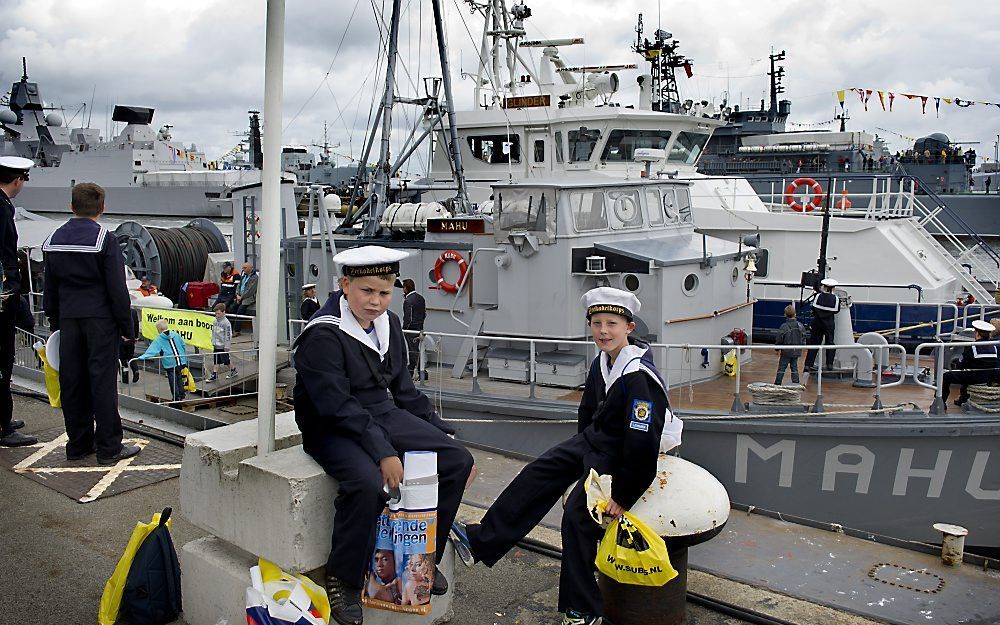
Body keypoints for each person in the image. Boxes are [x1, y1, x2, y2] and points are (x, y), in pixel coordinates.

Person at [455, 287, 676, 625]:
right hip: (593, 442)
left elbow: (641, 441)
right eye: (597, 323)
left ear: (629, 328)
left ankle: (584, 609)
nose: (603, 331)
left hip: (621, 455)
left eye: (612, 324)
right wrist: (575, 463)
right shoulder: (602, 364)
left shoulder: (639, 378)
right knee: (538, 473)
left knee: (577, 517)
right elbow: (588, 414)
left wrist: (623, 495)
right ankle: (481, 541)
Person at [292, 246, 473, 625]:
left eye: (384, 292)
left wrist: (441, 433)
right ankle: (342, 578)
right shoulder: (323, 334)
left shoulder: (388, 323)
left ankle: (423, 558)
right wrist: (383, 452)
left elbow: (403, 390)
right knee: (367, 483)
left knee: (458, 462)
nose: (375, 301)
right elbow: (336, 406)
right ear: (345, 285)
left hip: (379, 413)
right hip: (331, 426)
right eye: (366, 291)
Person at [42, 182, 138, 463]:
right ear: (102, 208)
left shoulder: (53, 239)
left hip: (68, 320)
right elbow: (117, 290)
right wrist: (126, 328)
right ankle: (109, 448)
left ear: (71, 206)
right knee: (102, 383)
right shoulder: (104, 240)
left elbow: (50, 287)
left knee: (72, 382)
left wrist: (55, 321)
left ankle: (78, 445)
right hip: (100, 321)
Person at [0, 156, 37, 447]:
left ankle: (4, 417)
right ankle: (4, 428)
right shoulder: (1, 209)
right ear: (18, 180)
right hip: (3, 301)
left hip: (6, 297)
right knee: (3, 362)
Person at [942, 320, 999, 408]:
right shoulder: (994, 347)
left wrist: (957, 364)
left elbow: (961, 365)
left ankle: (941, 402)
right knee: (967, 373)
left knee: (946, 376)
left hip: (974, 377)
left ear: (977, 333)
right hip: (989, 377)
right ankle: (963, 398)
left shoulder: (972, 346)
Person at [138, 319, 188, 402]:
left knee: (172, 379)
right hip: (180, 360)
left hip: (170, 362)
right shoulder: (176, 335)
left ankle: (176, 397)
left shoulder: (159, 339)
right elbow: (183, 345)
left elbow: (152, 350)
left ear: (159, 329)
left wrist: (142, 357)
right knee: (179, 377)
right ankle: (182, 395)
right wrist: (184, 357)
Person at [804, 278, 840, 372]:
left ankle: (808, 364)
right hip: (829, 324)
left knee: (814, 343)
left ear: (824, 287)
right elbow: (836, 311)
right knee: (830, 343)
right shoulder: (835, 299)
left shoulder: (818, 296)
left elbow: (814, 308)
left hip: (817, 323)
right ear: (833, 288)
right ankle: (829, 364)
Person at [774, 305, 806, 385]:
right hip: (796, 351)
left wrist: (777, 349)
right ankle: (796, 383)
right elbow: (803, 338)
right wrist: (803, 348)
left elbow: (779, 339)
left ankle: (777, 384)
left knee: (781, 368)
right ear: (795, 314)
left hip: (786, 351)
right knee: (794, 368)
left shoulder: (784, 327)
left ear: (785, 314)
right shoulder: (800, 326)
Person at [401, 278, 426, 377]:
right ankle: (412, 371)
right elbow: (424, 314)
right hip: (420, 327)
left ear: (406, 288)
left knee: (413, 351)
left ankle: (420, 372)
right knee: (415, 350)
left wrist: (405, 329)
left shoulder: (408, 301)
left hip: (411, 329)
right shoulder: (421, 298)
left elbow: (408, 317)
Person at [207, 303, 236, 382]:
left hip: (223, 346)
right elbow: (214, 332)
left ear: (223, 312)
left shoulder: (226, 323)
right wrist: (213, 341)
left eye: (219, 313)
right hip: (216, 345)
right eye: (216, 314)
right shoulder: (215, 321)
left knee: (226, 360)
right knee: (216, 360)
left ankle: (233, 369)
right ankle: (215, 374)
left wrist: (227, 346)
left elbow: (228, 335)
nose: (217, 315)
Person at [233, 261, 258, 335]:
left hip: (248, 298)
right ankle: (230, 328)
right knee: (232, 308)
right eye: (243, 268)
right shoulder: (243, 276)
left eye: (245, 268)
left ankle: (237, 331)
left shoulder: (254, 277)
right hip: (240, 297)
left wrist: (241, 297)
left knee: (241, 311)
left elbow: (250, 290)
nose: (243, 269)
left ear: (250, 268)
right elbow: (238, 286)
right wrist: (237, 294)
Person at [118, 307, 140, 384]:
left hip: (122, 339)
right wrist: (135, 337)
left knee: (122, 359)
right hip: (131, 338)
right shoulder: (133, 312)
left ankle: (125, 377)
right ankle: (135, 369)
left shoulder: (119, 311)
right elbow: (136, 324)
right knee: (131, 356)